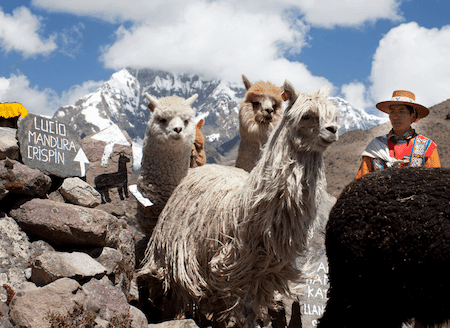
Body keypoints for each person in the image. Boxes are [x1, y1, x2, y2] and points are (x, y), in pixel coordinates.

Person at [356, 90, 440, 179]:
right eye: (392, 112)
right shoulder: (375, 147)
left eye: (401, 111)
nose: (395, 116)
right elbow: (361, 181)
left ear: (413, 116)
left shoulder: (426, 147)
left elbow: (435, 182)